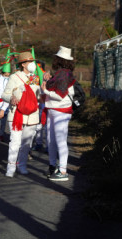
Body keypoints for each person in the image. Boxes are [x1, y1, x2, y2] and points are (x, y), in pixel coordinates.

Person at [1, 51, 41, 177]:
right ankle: (11, 167)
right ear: (23, 64)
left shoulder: (36, 78)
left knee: (26, 144)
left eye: (33, 61)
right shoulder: (15, 77)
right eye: (30, 61)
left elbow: (38, 96)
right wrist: (11, 98)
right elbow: (4, 94)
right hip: (17, 114)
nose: (32, 64)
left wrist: (44, 91)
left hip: (32, 114)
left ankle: (22, 165)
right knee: (15, 142)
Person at [41, 46, 76, 181]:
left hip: (60, 111)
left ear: (58, 60)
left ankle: (62, 170)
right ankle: (53, 167)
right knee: (52, 140)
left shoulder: (63, 74)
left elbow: (60, 95)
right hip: (54, 110)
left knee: (59, 140)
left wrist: (46, 90)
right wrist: (47, 81)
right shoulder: (61, 74)